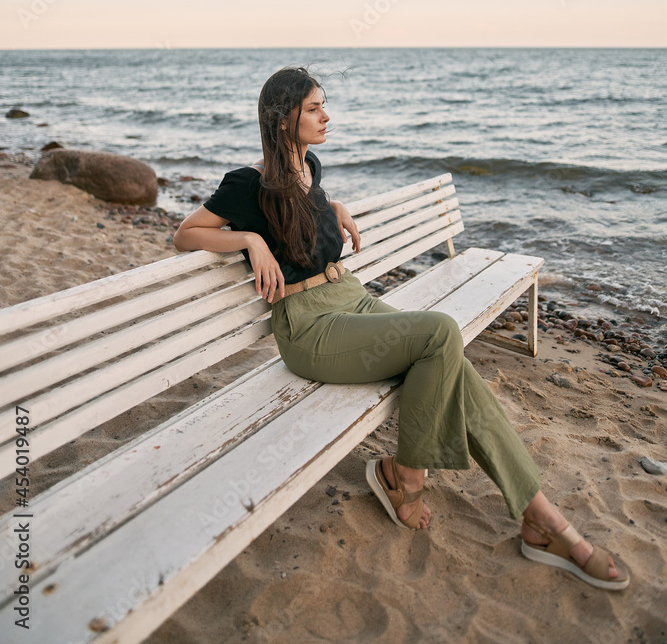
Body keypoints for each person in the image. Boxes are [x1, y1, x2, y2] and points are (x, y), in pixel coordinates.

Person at [173, 65, 630, 591]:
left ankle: (539, 516)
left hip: (349, 296)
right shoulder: (246, 184)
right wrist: (248, 241)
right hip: (308, 327)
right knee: (440, 334)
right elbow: (187, 234)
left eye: (325, 104)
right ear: (282, 122)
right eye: (314, 108)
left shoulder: (310, 168)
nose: (327, 116)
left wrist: (330, 208)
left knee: (454, 365)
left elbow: (301, 215)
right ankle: (406, 479)